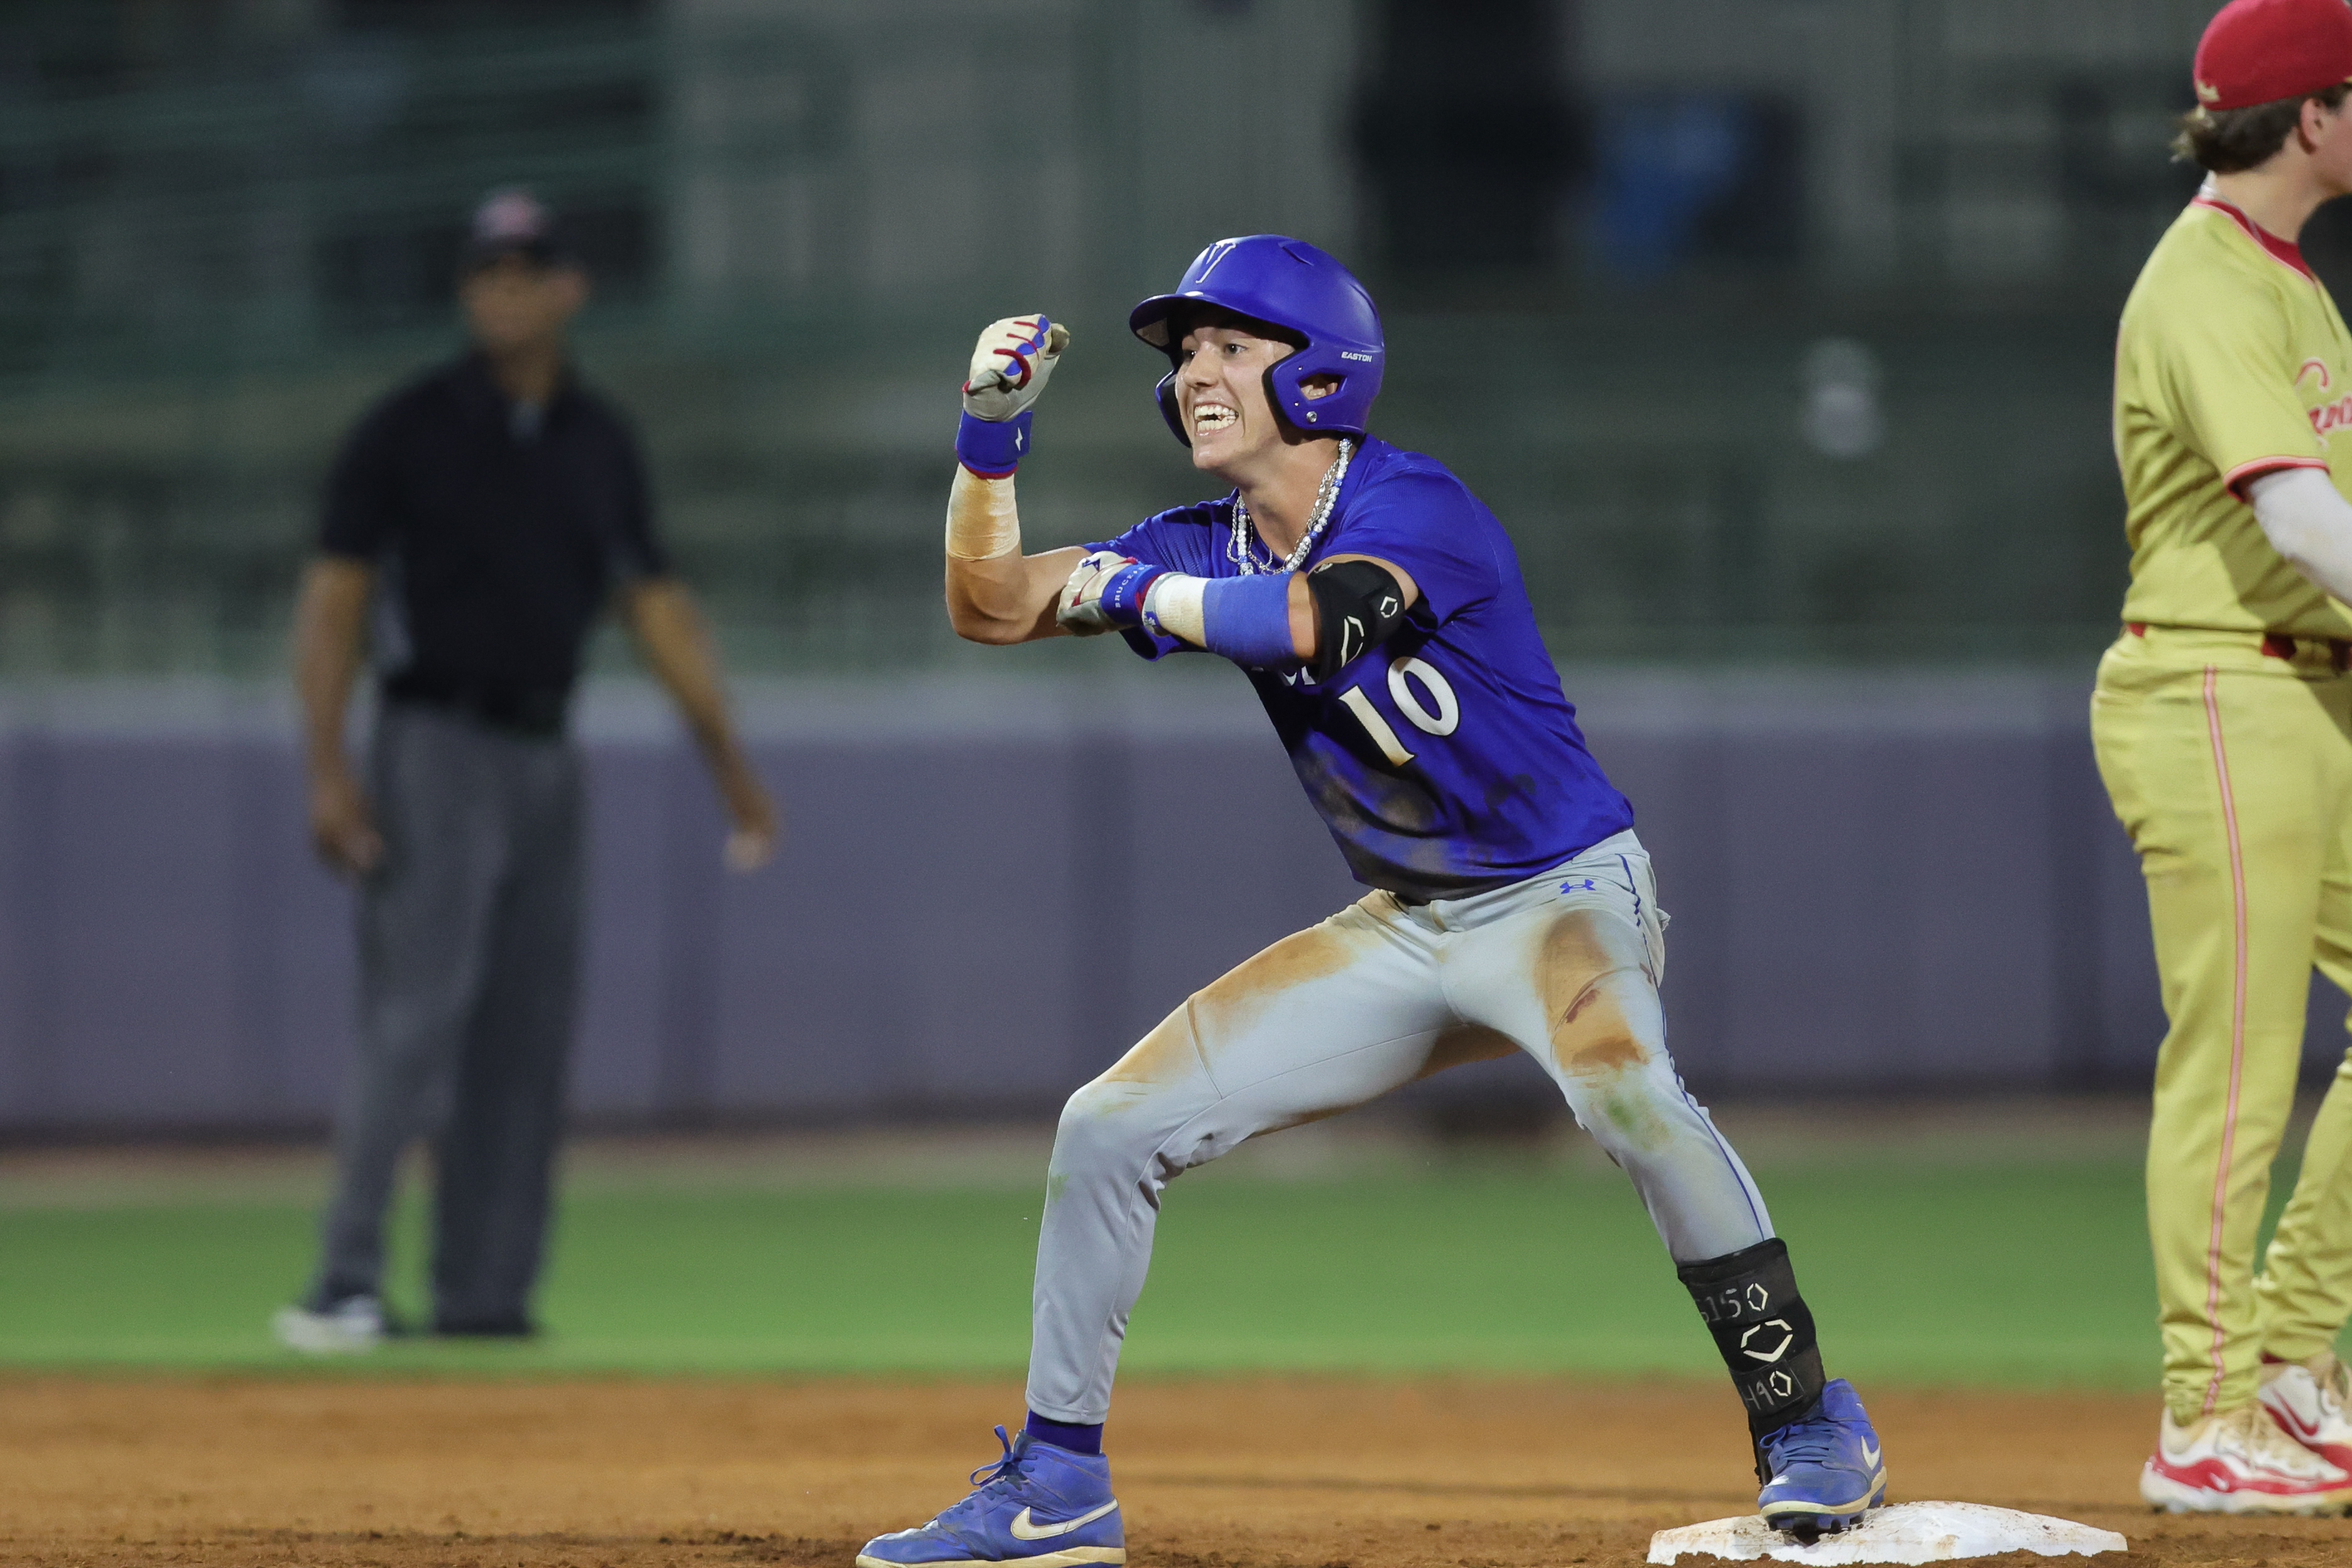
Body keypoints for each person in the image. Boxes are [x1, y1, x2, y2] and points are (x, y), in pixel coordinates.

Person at [855, 236, 1887, 1568]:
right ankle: (1057, 1488)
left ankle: (1810, 1422)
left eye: (1232, 346)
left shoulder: (1417, 503)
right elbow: (990, 607)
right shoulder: (1197, 541)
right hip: (1408, 925)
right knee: (1109, 1127)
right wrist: (988, 448)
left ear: (1324, 375)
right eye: (1186, 356)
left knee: (1624, 1088)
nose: (1195, 375)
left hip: (1565, 897)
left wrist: (1135, 591)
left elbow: (1319, 620)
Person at [271, 189, 778, 1353]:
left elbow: (657, 612)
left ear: (567, 289)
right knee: (417, 1018)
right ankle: (343, 1280)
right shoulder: (407, 427)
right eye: (486, 271)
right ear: (468, 291)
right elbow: (334, 598)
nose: (503, 288)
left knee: (527, 1032)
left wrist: (732, 772)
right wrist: (326, 768)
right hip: (431, 741)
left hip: (548, 749)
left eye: (525, 269)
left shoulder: (599, 441)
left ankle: (484, 1295)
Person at [2096, 0, 2352, 1515]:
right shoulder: (2203, 280)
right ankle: (2200, 1416)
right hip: (2213, 685)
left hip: (2310, 692)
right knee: (2241, 1060)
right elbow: (2299, 519)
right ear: (2312, 117)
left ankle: (2290, 1369)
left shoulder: (2293, 287)